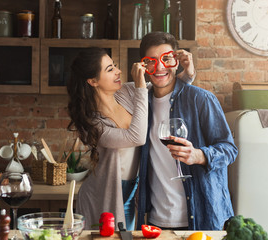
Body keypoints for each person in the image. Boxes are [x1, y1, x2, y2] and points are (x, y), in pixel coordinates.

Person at [67, 46, 195, 230]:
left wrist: (188, 72)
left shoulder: (126, 92)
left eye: (115, 65)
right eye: (110, 69)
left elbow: (165, 88)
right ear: (93, 81)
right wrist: (140, 86)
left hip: (131, 192)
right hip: (103, 195)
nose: (119, 71)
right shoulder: (93, 123)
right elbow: (136, 137)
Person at [136, 32, 238, 231]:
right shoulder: (141, 104)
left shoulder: (201, 99)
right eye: (152, 61)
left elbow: (229, 149)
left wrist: (199, 155)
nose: (160, 67)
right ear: (143, 65)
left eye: (166, 59)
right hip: (157, 220)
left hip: (203, 217)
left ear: (176, 60)